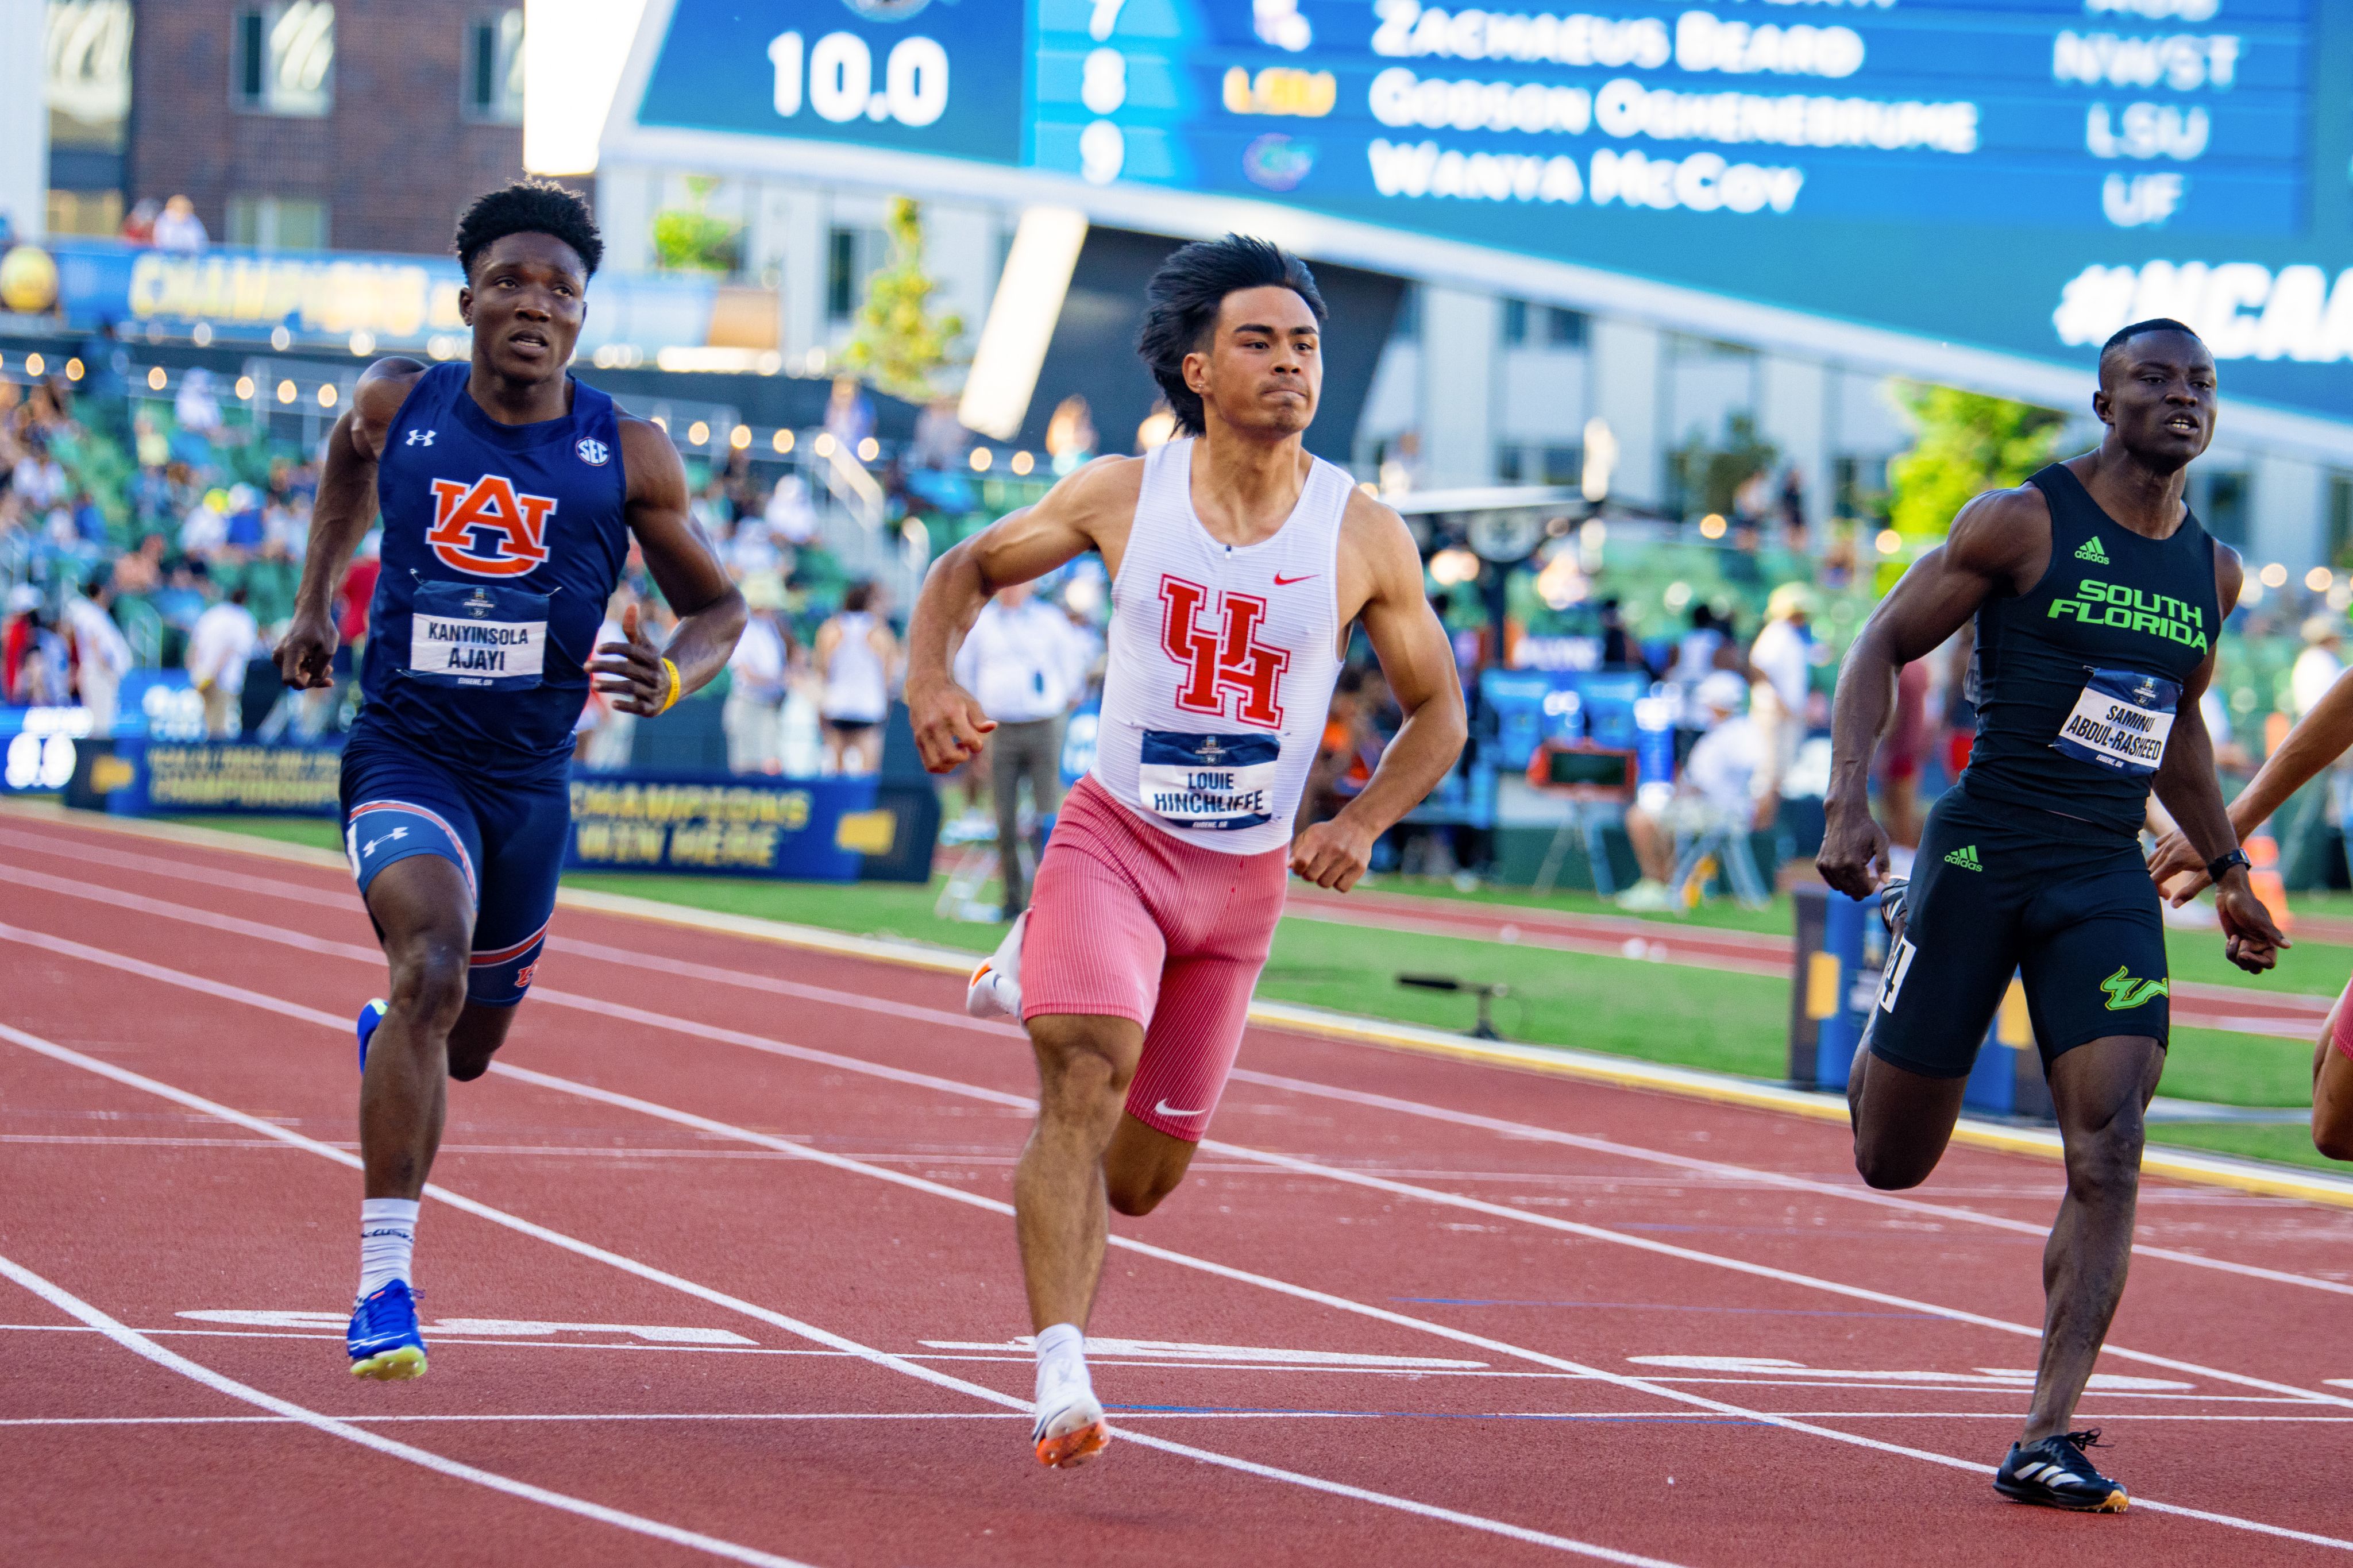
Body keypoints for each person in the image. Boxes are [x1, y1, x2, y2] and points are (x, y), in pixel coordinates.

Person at [905, 235, 1466, 1470]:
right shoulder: (1121, 493)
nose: (1290, 365)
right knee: (1081, 1076)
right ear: (1199, 369)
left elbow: (1440, 713)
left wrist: (1359, 820)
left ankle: (1031, 967)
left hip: (1242, 881)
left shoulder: (1361, 531)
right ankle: (1060, 1378)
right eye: (1260, 343)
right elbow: (965, 568)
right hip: (1115, 839)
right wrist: (929, 677)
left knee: (1143, 1177)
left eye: (1305, 344)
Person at [272, 181, 744, 1384]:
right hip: (407, 752)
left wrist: (673, 677)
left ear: (584, 317)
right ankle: (384, 1284)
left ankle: (404, 1038)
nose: (534, 306)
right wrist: (316, 595)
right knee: (427, 964)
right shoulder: (401, 402)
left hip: (530, 781)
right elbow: (344, 461)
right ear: (468, 296)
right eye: (512, 283)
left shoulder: (625, 452)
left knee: (467, 1043)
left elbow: (720, 609)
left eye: (560, 292)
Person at [1818, 318, 2285, 1513]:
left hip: (2101, 873)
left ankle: (2044, 1431)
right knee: (1890, 1157)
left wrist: (2225, 862)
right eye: (2153, 379)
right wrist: (1847, 802)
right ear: (2100, 399)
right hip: (1983, 852)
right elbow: (1881, 641)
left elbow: (2170, 723)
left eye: (2200, 384)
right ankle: (1902, 954)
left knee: (2111, 1140)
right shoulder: (2017, 520)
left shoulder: (2210, 570)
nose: (2182, 399)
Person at [952, 580, 1089, 916]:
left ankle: (1048, 901)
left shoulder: (1049, 620)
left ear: (1031, 587)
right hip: (1000, 725)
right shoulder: (983, 623)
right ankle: (1013, 899)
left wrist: (1061, 701)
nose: (1011, 590)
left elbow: (1071, 666)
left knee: (1047, 815)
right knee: (1004, 815)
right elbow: (964, 670)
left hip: (1044, 722)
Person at [1618, 670, 1767, 909]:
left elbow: (1699, 785)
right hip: (1728, 811)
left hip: (1714, 812)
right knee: (1661, 817)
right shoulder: (1744, 732)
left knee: (1639, 818)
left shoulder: (1728, 736)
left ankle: (1658, 882)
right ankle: (1665, 883)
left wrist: (1678, 794)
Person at [815, 580, 896, 774]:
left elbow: (822, 669)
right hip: (868, 706)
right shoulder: (880, 633)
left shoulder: (830, 630)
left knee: (836, 770)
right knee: (868, 770)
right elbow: (888, 674)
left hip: (838, 703)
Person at [723, 577, 792, 774]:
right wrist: (782, 680)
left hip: (769, 706)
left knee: (771, 766)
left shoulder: (771, 630)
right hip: (748, 705)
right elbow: (746, 674)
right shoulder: (742, 631)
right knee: (747, 768)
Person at [186, 583, 259, 738]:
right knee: (222, 729)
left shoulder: (212, 614)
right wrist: (213, 673)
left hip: (203, 677)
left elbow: (195, 646)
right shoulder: (244, 619)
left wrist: (196, 672)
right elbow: (230, 649)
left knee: (207, 725)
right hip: (224, 680)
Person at [63, 581, 133, 734]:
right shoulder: (90, 614)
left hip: (100, 672)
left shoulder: (98, 614)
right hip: (98, 673)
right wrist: (107, 671)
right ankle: (99, 757)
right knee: (101, 724)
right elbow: (95, 644)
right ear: (101, 591)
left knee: (105, 722)